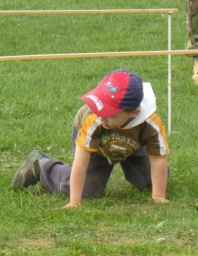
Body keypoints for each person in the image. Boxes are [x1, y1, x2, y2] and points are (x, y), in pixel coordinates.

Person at [11, 68, 170, 208]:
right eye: (101, 110)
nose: (103, 118)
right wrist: (74, 201)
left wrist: (158, 197)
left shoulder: (150, 123)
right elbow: (81, 160)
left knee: (153, 180)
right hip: (98, 146)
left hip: (132, 146)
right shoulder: (94, 118)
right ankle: (42, 166)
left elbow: (158, 159)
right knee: (88, 188)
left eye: (111, 115)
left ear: (134, 113)